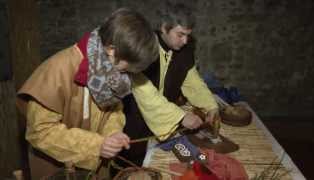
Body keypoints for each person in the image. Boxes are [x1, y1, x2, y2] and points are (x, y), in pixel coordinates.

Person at [16, 8, 158, 179]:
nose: (127, 74)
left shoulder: (110, 69)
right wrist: (96, 146)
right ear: (112, 50)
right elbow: (40, 132)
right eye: (127, 68)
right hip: (57, 170)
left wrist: (113, 134)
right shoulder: (57, 70)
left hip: (95, 168)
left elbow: (114, 110)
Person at [117, 3, 220, 169]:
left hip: (165, 119)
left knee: (159, 167)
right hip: (136, 120)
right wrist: (180, 117)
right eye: (180, 35)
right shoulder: (142, 47)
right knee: (131, 165)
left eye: (188, 35)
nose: (185, 41)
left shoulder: (184, 50)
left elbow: (192, 80)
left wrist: (210, 106)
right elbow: (145, 93)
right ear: (164, 28)